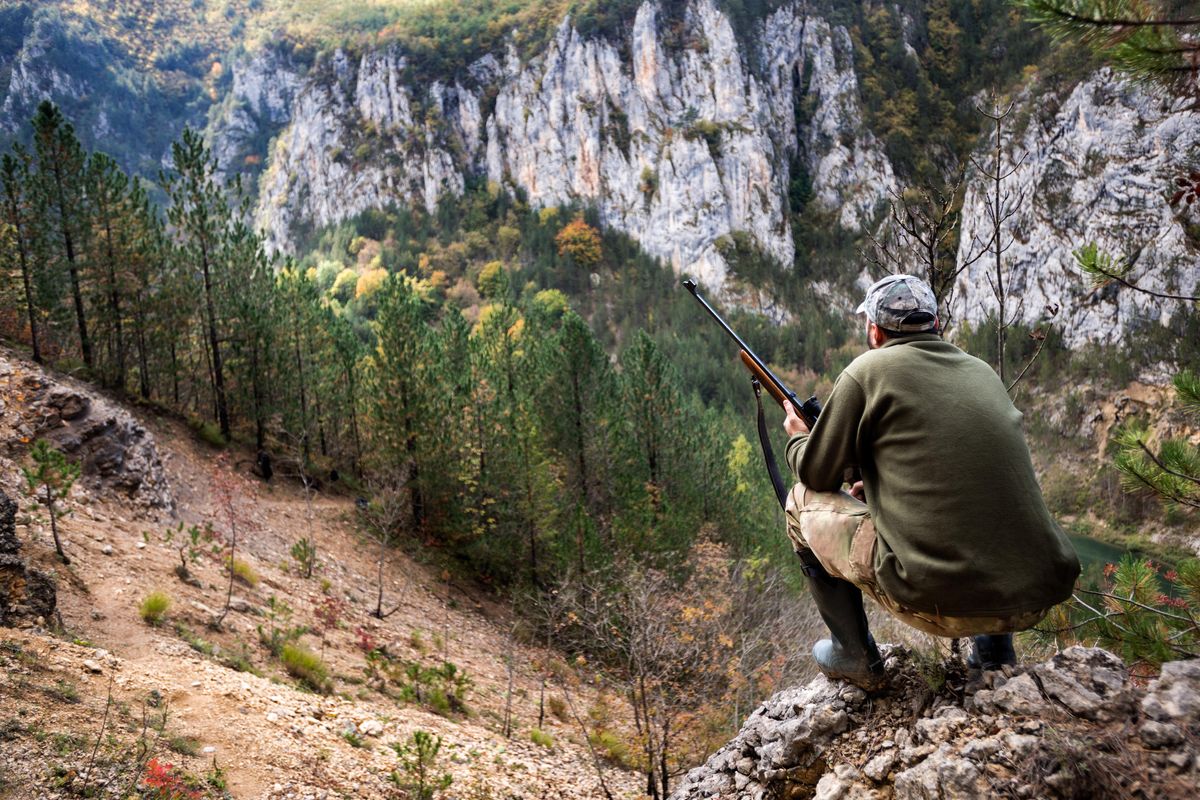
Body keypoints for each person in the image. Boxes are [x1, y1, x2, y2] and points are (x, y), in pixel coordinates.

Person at [781, 274, 1080, 689]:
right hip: (1032, 595)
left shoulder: (867, 370)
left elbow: (816, 474)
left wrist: (798, 436)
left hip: (938, 601)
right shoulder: (980, 372)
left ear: (874, 329)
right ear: (935, 325)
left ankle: (854, 654)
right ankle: (994, 657)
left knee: (799, 501)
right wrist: (881, 485)